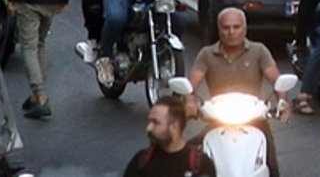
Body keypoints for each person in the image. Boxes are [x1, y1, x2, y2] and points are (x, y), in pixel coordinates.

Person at [184, 9, 282, 175]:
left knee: (269, 163)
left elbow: (277, 81)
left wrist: (283, 101)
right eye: (226, 27)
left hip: (255, 120)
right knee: (186, 155)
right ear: (218, 29)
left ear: (245, 29)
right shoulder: (207, 54)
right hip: (219, 120)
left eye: (236, 27)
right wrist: (189, 100)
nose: (231, 32)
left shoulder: (259, 51)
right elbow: (191, 84)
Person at [119, 97, 214, 177]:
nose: (149, 128)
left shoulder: (200, 164)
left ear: (174, 128)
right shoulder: (141, 161)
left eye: (155, 122)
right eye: (149, 122)